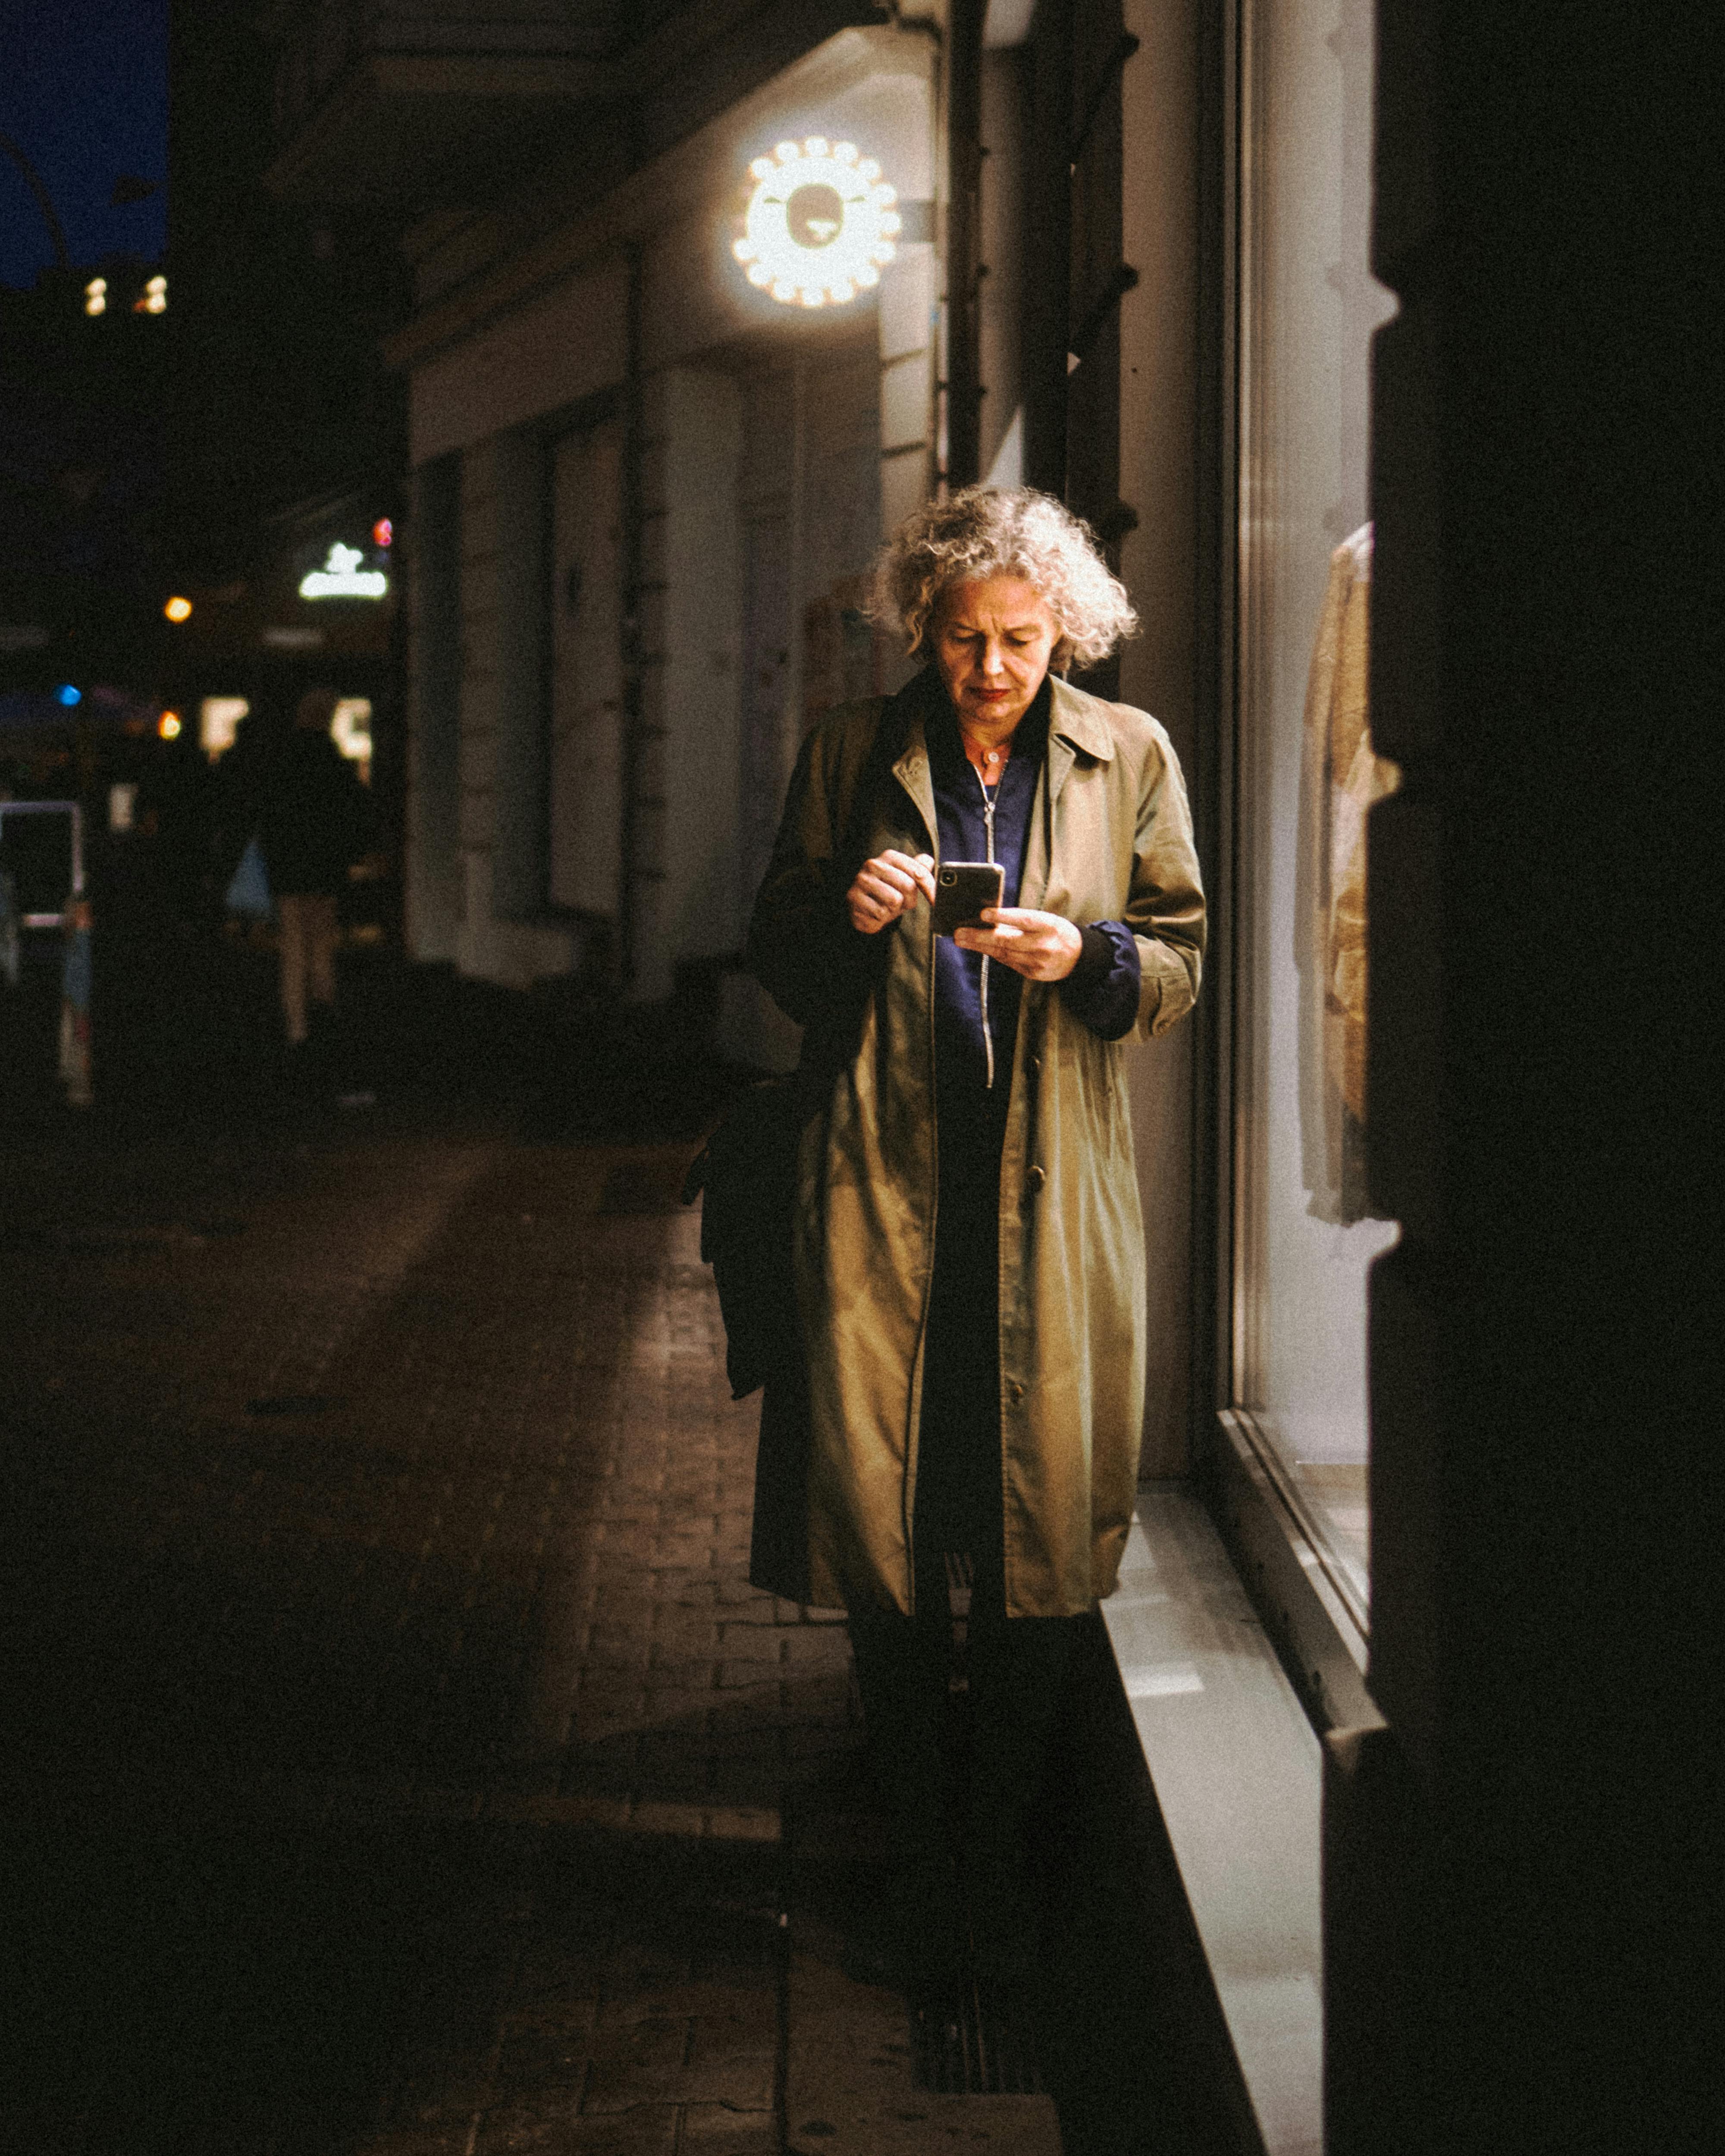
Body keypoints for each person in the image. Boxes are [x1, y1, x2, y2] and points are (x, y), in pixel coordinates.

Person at [745, 486, 1205, 2015]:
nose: (991, 670)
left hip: (1050, 1191)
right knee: (887, 1540)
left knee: (1036, 1550)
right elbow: (787, 961)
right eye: (962, 640)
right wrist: (851, 911)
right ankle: (926, 1865)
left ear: (1065, 630)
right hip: (883, 1188)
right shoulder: (848, 753)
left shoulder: (1127, 756)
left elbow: (1180, 958)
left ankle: (992, 1874)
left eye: (1019, 640)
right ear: (923, 629)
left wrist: (1092, 956)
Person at [255, 688, 367, 1051]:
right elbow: (354, 815)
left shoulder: (282, 761)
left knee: (293, 947)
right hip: (325, 869)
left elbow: (268, 816)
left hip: (289, 870)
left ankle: (297, 1027)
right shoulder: (337, 763)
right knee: (322, 944)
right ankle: (324, 1011)